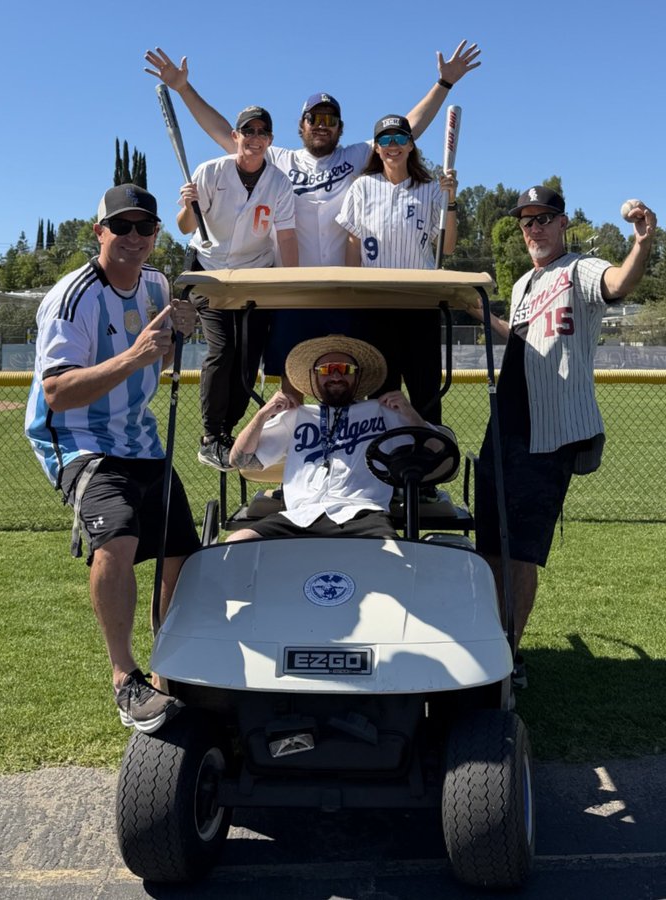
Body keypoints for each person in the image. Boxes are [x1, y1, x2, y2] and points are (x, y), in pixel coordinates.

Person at [144, 41, 481, 386]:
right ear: (301, 125)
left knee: (350, 380)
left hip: (343, 290)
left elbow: (406, 130)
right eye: (314, 118)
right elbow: (223, 132)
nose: (322, 125)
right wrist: (183, 89)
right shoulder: (279, 159)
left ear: (340, 127)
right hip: (294, 290)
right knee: (292, 381)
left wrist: (444, 84)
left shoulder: (354, 157)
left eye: (330, 120)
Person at [24, 183, 200, 734]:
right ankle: (125, 678)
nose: (133, 237)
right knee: (118, 537)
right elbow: (58, 393)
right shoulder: (72, 297)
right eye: (121, 226)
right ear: (98, 232)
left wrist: (179, 333)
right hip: (81, 440)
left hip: (140, 438)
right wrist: (135, 355)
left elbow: (163, 348)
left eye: (144, 227)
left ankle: (169, 669)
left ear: (156, 235)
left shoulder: (158, 284)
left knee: (182, 554)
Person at [473, 186, 657, 686]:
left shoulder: (581, 269)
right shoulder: (523, 285)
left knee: (520, 551)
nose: (534, 228)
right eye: (526, 221)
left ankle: (509, 658)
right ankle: (490, 645)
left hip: (549, 433)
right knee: (490, 546)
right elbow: (523, 340)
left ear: (562, 223)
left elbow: (619, 282)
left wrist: (641, 243)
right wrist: (476, 312)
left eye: (543, 218)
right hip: (506, 426)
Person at [227, 335, 445, 541]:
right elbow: (240, 460)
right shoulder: (296, 416)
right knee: (237, 542)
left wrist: (409, 413)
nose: (336, 376)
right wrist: (263, 414)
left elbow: (438, 453)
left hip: (363, 514)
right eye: (326, 369)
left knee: (393, 559)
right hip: (300, 516)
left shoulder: (382, 412)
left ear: (357, 376)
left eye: (345, 369)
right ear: (315, 376)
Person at [177, 104, 299, 471]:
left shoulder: (278, 183)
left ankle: (227, 432)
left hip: (254, 274)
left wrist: (293, 284)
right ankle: (211, 435)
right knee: (223, 348)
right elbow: (185, 227)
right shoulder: (210, 172)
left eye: (262, 132)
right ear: (235, 136)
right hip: (209, 271)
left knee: (248, 360)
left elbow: (287, 237)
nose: (255, 138)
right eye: (248, 131)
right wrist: (188, 205)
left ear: (270, 140)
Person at [336, 113, 457, 423]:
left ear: (411, 145)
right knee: (380, 392)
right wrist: (352, 292)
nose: (393, 145)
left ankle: (429, 448)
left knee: (424, 390)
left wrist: (451, 201)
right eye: (385, 139)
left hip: (420, 302)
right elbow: (353, 243)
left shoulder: (431, 188)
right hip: (375, 302)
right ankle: (385, 450)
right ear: (377, 148)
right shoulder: (363, 187)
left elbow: (447, 247)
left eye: (400, 138)